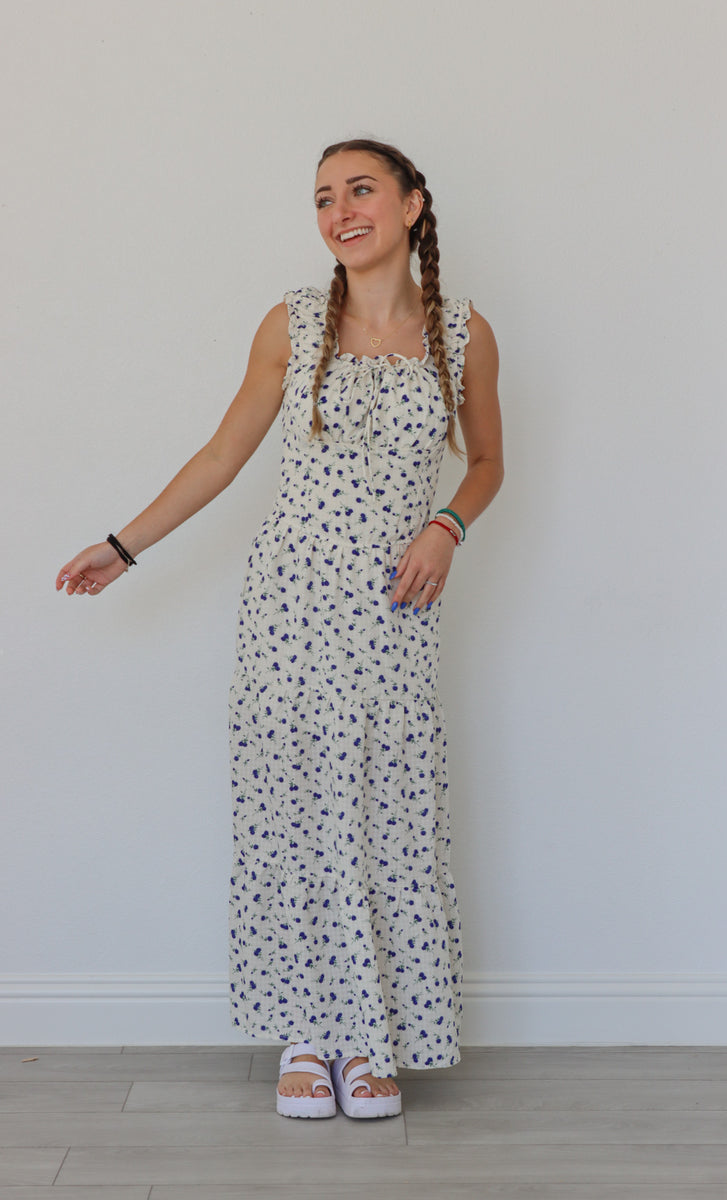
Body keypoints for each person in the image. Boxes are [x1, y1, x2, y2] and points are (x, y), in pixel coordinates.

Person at [56, 138, 504, 1120]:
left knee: (385, 816)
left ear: (411, 204)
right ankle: (309, 1035)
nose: (339, 211)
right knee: (295, 817)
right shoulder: (291, 325)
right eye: (321, 198)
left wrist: (446, 524)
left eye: (360, 191)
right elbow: (222, 454)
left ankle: (370, 1035)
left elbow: (486, 463)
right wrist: (123, 546)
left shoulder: (462, 333)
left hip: (397, 611)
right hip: (291, 607)